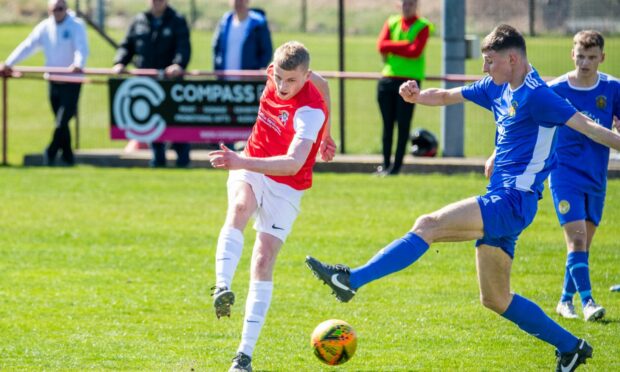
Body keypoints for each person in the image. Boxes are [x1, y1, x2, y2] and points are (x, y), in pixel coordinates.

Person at [305, 25, 620, 371]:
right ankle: (571, 347)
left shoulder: (539, 96)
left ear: (512, 59)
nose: (485, 68)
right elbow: (446, 96)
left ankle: (351, 280)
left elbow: (590, 128)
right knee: (496, 299)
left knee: (428, 225)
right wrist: (416, 96)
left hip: (512, 201)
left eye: (489, 61)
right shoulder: (496, 87)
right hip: (504, 200)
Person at [209, 41, 336, 372]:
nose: (282, 87)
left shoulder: (310, 110)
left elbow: (293, 164)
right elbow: (323, 81)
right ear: (272, 70)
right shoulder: (276, 73)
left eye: (291, 81)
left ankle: (243, 356)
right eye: (278, 77)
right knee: (239, 207)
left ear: (304, 76)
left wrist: (322, 132)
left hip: (286, 184)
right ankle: (221, 285)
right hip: (253, 162)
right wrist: (328, 136)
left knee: (263, 261)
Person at [546, 30, 620, 322]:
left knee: (583, 244)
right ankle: (588, 302)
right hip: (564, 173)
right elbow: (527, 125)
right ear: (571, 55)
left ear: (602, 57)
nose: (585, 62)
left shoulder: (614, 88)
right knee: (576, 240)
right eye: (580, 56)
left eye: (591, 57)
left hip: (596, 176)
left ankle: (565, 301)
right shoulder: (555, 90)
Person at [0, 0, 88, 166]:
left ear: (66, 9)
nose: (57, 12)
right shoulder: (45, 27)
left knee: (62, 121)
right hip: (53, 80)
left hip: (72, 81)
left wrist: (78, 64)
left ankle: (51, 151)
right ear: (49, 11)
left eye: (60, 9)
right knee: (60, 122)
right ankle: (68, 157)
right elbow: (28, 46)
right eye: (54, 9)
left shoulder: (76, 25)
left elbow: (81, 48)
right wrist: (9, 63)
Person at [112, 0, 192, 168]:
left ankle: (183, 161)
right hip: (148, 85)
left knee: (176, 126)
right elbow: (127, 45)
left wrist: (178, 64)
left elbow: (183, 47)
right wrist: (120, 62)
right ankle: (158, 161)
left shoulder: (177, 20)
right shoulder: (139, 20)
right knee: (153, 125)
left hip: (171, 84)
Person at [375, 0, 432, 176]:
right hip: (388, 79)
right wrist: (405, 45)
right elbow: (381, 45)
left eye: (411, 3)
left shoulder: (423, 26)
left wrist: (393, 47)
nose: (407, 6)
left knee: (403, 125)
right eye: (404, 3)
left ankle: (396, 167)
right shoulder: (391, 22)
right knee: (387, 126)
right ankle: (385, 165)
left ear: (416, 5)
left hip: (409, 82)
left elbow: (415, 51)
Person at [213, 0, 273, 74]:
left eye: (241, 0)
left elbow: (266, 51)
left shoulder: (258, 23)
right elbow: (216, 49)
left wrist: (257, 72)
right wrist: (217, 69)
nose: (238, 3)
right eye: (235, 1)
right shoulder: (225, 22)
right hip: (225, 80)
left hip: (248, 80)